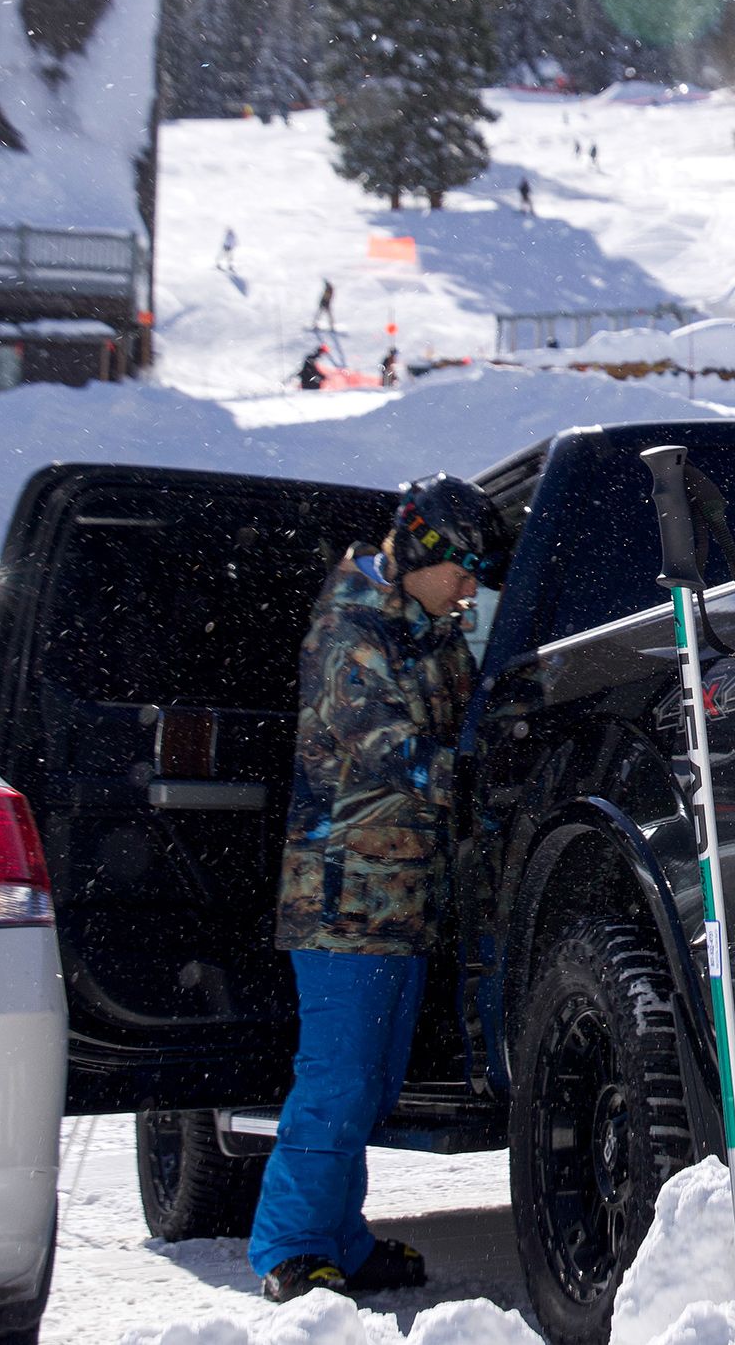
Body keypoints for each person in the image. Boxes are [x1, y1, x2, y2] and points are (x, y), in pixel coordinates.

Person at [248, 475, 506, 1303]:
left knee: (372, 1084)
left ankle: (341, 1241)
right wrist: (475, 777)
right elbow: (384, 747)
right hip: (343, 903)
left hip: (404, 901)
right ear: (422, 548)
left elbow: (474, 715)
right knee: (337, 1081)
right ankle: (289, 1248)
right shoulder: (349, 631)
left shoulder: (433, 635)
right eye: (463, 569)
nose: (470, 589)